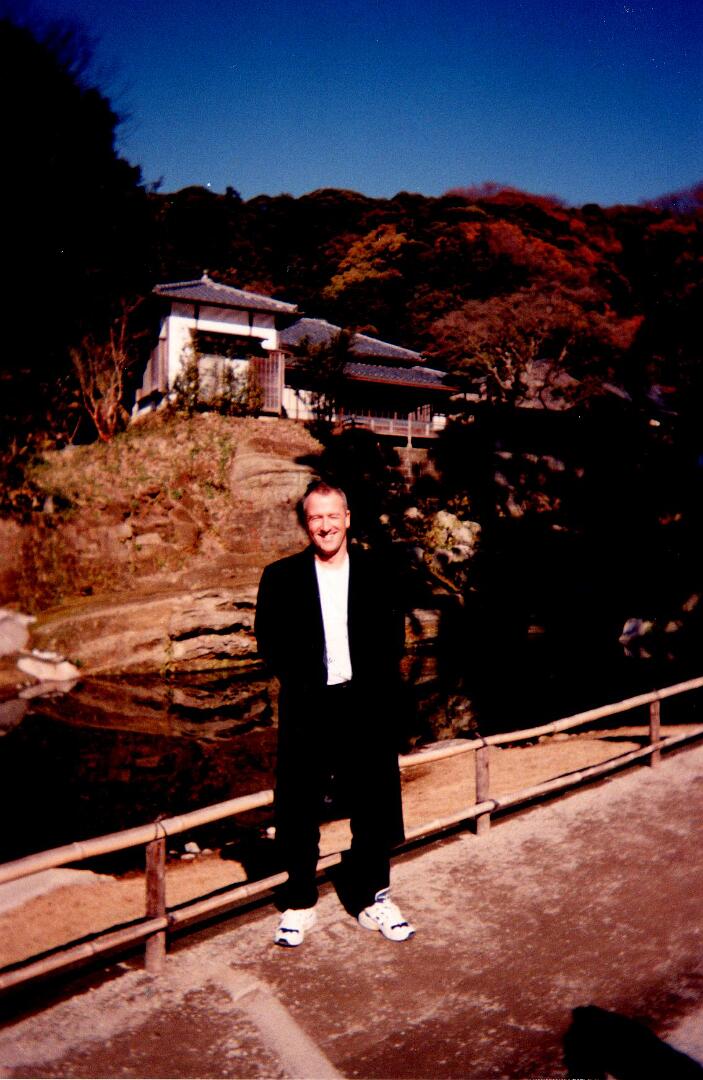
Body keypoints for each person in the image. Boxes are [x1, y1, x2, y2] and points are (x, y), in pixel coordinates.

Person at [255, 480, 415, 946]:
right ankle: (299, 901)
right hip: (308, 704)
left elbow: (394, 639)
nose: (325, 526)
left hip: (366, 703)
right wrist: (304, 683)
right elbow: (269, 642)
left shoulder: (378, 572)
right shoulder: (281, 576)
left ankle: (373, 897)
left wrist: (373, 690)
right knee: (299, 805)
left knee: (373, 803)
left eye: (332, 516)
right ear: (306, 524)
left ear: (347, 518)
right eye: (315, 518)